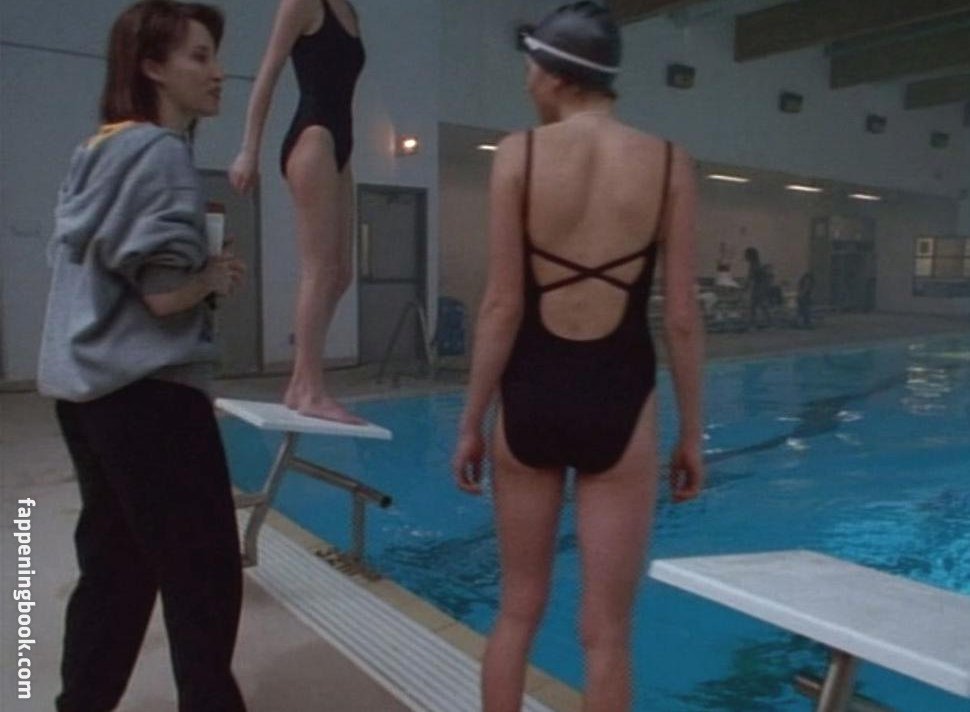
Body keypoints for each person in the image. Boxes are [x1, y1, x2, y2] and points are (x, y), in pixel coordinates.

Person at [451, 3, 705, 710]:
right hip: (621, 399)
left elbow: (501, 306)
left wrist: (471, 421)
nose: (526, 79)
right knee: (607, 634)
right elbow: (682, 318)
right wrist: (691, 434)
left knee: (517, 610)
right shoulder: (669, 164)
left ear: (560, 75)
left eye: (531, 65)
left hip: (532, 394)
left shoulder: (518, 154)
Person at [36, 2, 247, 710]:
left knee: (117, 570)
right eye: (199, 57)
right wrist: (210, 278)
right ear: (153, 67)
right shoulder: (161, 153)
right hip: (151, 394)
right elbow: (161, 297)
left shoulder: (98, 150)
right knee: (205, 577)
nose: (218, 73)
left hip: (86, 396)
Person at [229, 0, 365, 423]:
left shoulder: (350, 11)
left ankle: (299, 382)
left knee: (341, 274)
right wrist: (249, 151)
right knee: (319, 270)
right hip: (313, 137)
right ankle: (309, 388)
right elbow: (268, 74)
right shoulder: (301, 3)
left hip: (340, 145)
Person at [743, 246, 771, 328]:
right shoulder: (756, 264)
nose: (745, 256)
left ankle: (754, 323)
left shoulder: (754, 265)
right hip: (760, 286)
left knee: (755, 305)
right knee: (759, 305)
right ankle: (766, 321)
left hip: (759, 287)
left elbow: (750, 278)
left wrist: (745, 287)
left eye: (746, 254)